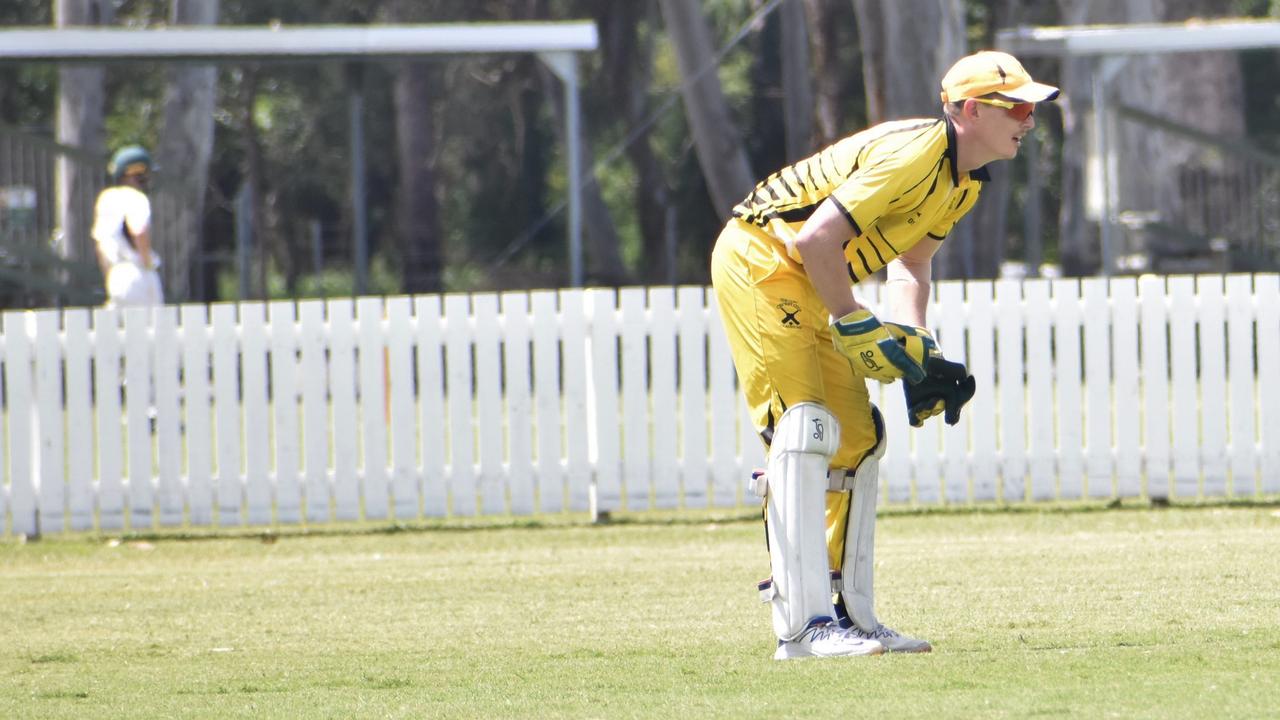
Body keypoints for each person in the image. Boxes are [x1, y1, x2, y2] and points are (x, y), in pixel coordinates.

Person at [710, 51, 1058, 660]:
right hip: (762, 259)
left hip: (812, 277)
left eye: (1032, 109)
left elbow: (912, 264)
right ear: (971, 110)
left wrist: (916, 344)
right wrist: (853, 321)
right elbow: (816, 238)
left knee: (858, 441)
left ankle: (849, 614)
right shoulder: (915, 154)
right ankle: (802, 626)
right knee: (802, 429)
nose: (1029, 121)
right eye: (1019, 108)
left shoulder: (965, 182)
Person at [92, 145, 163, 307]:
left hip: (115, 275)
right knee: (153, 329)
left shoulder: (105, 199)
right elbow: (138, 230)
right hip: (137, 272)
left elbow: (100, 247)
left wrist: (109, 277)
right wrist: (146, 263)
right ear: (139, 173)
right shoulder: (136, 197)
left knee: (121, 330)